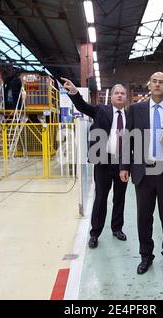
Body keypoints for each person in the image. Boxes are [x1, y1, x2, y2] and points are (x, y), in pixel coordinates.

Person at [120, 72, 163, 274]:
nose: (158, 85)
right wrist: (124, 166)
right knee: (144, 217)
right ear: (149, 85)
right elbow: (128, 140)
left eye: (162, 82)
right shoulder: (135, 110)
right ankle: (145, 256)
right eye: (155, 82)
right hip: (143, 171)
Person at [61, 77, 129, 249]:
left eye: (123, 93)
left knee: (119, 198)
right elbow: (83, 107)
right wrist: (75, 93)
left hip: (122, 163)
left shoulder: (131, 116)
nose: (120, 95)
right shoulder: (101, 110)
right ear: (112, 96)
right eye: (117, 93)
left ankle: (117, 228)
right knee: (100, 199)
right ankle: (95, 233)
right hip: (103, 162)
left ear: (126, 98)